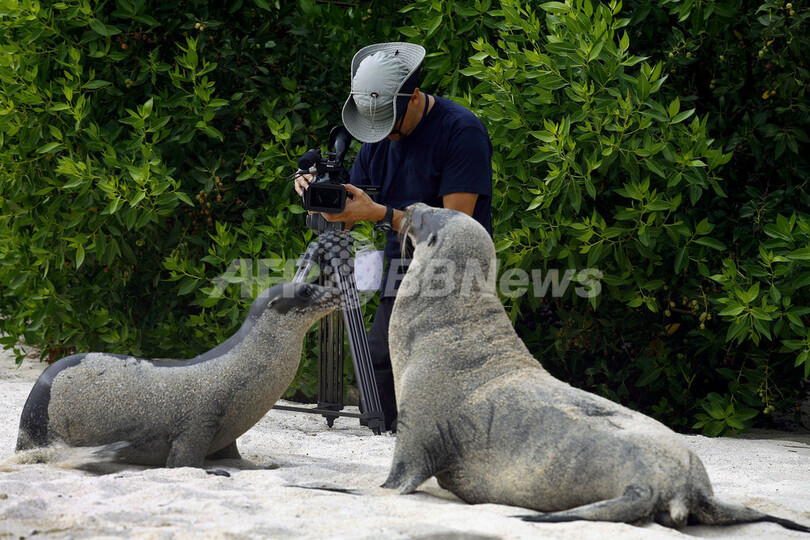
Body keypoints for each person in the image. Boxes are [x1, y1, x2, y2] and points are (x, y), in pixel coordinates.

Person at [294, 42, 493, 432]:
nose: (383, 135)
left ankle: (436, 444)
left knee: (433, 369)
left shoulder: (461, 132)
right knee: (381, 360)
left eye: (389, 124)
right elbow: (349, 217)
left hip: (455, 270)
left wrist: (380, 213)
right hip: (402, 265)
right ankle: (389, 441)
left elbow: (454, 230)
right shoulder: (376, 137)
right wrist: (324, 199)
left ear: (414, 97)